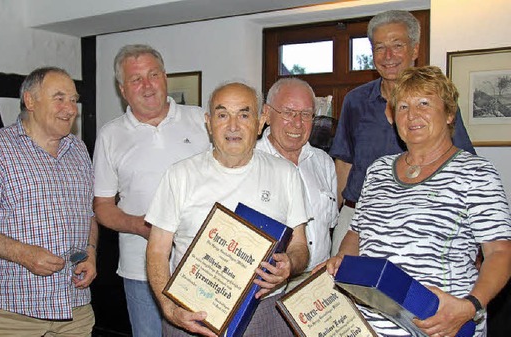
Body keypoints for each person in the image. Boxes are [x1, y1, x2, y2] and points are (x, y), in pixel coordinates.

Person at [324, 66, 511, 337]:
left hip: (442, 324)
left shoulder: (475, 173)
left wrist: (470, 306)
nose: (412, 115)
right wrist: (342, 262)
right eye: (403, 106)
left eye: (424, 103)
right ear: (393, 117)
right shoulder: (378, 170)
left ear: (448, 113)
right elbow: (356, 233)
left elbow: (500, 253)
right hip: (368, 327)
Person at [146, 82, 310, 336]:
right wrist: (169, 308)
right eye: (222, 115)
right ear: (209, 123)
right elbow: (157, 250)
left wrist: (290, 263)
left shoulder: (285, 174)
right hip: (191, 315)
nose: (233, 126)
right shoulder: (179, 175)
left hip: (264, 313)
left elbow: (299, 246)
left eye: (244, 115)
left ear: (260, 122)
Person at [329, 10, 475, 255]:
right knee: (340, 289)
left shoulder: (436, 102)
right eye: (379, 47)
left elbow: (461, 161)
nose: (388, 56)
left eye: (397, 45)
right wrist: (337, 216)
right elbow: (344, 162)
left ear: (415, 50)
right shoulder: (355, 101)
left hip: (421, 219)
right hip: (356, 219)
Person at [93, 44, 210, 337]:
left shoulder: (201, 119)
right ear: (123, 89)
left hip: (204, 267)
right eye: (136, 79)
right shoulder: (110, 135)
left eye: (153, 74)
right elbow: (102, 207)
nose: (147, 85)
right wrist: (141, 226)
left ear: (165, 76)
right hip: (140, 271)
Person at [0, 67, 97, 336]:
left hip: (75, 309)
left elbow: (88, 216)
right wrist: (22, 254)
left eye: (73, 99)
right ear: (30, 101)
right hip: (15, 312)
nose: (70, 109)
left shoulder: (78, 150)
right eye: (59, 98)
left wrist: (90, 253)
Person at [257, 78, 337, 286]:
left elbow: (329, 226)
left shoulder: (324, 163)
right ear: (267, 114)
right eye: (288, 113)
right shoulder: (250, 162)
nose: (298, 123)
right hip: (268, 287)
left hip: (318, 283)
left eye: (306, 114)